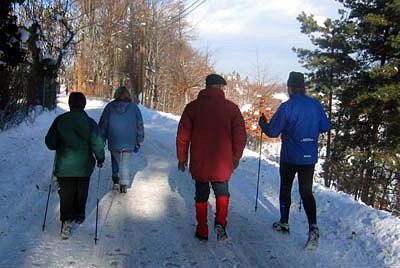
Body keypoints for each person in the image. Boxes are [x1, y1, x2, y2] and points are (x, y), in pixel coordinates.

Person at [258, 71, 330, 250]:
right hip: (309, 157)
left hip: (290, 156)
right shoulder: (315, 105)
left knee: (286, 187)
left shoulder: (287, 107)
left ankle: (284, 223)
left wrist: (263, 123)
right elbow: (325, 127)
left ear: (290, 88)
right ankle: (313, 228)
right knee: (306, 192)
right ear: (303, 87)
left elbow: (273, 132)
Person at [177, 74, 247, 242]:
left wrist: (182, 158)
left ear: (207, 87)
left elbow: (182, 136)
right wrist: (235, 157)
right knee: (222, 191)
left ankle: (202, 230)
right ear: (220, 87)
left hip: (200, 160)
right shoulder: (231, 108)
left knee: (201, 194)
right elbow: (240, 137)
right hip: (222, 161)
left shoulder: (193, 107)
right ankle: (220, 223)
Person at [45, 92, 105, 239]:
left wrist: (59, 143)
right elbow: (97, 142)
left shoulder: (60, 120)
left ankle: (66, 220)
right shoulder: (89, 122)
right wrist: (100, 158)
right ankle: (79, 214)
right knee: (81, 190)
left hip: (64, 165)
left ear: (70, 104)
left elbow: (50, 142)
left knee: (66, 193)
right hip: (84, 165)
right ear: (83, 104)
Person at [99, 86, 144, 194]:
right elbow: (140, 125)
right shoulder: (134, 108)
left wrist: (101, 138)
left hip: (114, 139)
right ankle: (123, 183)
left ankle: (115, 180)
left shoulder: (109, 107)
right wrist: (139, 139)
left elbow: (103, 124)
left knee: (116, 160)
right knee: (125, 162)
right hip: (129, 141)